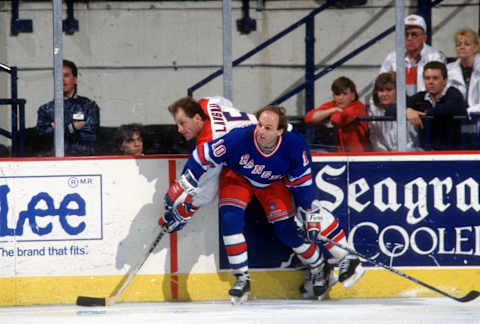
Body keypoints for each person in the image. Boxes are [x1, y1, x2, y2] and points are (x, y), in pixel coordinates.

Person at [160, 106, 364, 303]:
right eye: (259, 125)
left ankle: (323, 265)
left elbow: (304, 187)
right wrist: (186, 183)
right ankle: (241, 277)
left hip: (272, 183)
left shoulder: (294, 145)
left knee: (288, 229)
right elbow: (201, 156)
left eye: (268, 128)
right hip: (238, 176)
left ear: (280, 131)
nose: (261, 131)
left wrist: (310, 216)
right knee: (230, 219)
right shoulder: (239, 137)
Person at [167, 96, 257, 216]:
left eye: (182, 123)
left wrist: (189, 209)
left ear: (197, 118)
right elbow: (225, 102)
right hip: (270, 130)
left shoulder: (209, 142)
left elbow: (209, 190)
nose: (179, 129)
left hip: (267, 151)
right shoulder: (205, 102)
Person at [36, 59, 100, 156]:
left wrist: (58, 128)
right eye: (58, 76)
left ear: (75, 79)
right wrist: (73, 127)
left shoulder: (89, 106)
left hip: (83, 159)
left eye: (66, 75)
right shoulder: (45, 109)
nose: (62, 79)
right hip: (54, 159)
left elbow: (90, 136)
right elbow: (44, 138)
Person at [402, 61, 467, 150]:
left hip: (454, 154)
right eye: (427, 78)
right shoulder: (420, 97)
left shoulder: (454, 94)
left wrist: (425, 114)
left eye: (435, 78)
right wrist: (407, 110)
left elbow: (450, 107)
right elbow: (390, 109)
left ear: (445, 80)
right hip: (426, 153)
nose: (430, 82)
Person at [380, 14, 446, 96]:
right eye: (406, 34)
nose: (409, 38)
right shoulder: (392, 57)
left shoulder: (435, 57)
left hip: (426, 105)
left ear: (424, 38)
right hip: (398, 106)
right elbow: (380, 85)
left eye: (414, 35)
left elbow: (443, 88)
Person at [304, 76, 370, 152]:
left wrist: (328, 113)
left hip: (362, 156)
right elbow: (309, 118)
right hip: (342, 155)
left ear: (353, 96)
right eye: (337, 94)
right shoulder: (333, 106)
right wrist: (332, 110)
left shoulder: (358, 106)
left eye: (345, 94)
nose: (340, 98)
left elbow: (338, 119)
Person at [368, 72, 421, 151]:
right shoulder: (374, 110)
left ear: (398, 91)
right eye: (381, 90)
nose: (384, 94)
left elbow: (412, 139)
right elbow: (375, 138)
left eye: (389, 90)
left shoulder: (409, 107)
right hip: (383, 156)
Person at [447, 28, 480, 117]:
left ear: (476, 47)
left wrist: (466, 111)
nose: (462, 47)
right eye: (458, 44)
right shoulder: (448, 70)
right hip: (456, 119)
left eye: (467, 44)